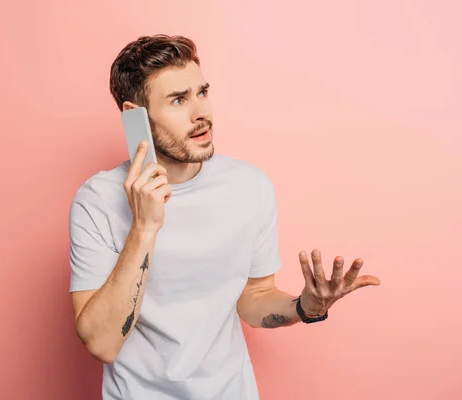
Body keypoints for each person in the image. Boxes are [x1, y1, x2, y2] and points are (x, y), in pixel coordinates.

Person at [68, 34, 381, 400]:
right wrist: (144, 227)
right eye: (178, 100)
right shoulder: (97, 200)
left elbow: (254, 296)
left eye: (201, 92)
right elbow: (102, 344)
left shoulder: (249, 186)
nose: (201, 113)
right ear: (133, 117)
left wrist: (304, 308)